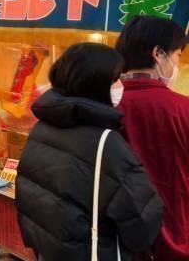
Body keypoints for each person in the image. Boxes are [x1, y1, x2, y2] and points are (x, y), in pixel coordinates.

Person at [16, 43, 164, 261]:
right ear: (96, 83)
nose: (120, 85)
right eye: (115, 79)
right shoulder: (107, 144)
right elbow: (143, 227)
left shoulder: (41, 128)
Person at [115, 15, 189, 260]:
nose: (178, 63)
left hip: (117, 240)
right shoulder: (183, 108)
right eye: (178, 54)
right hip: (176, 237)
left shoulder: (102, 104)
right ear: (158, 54)